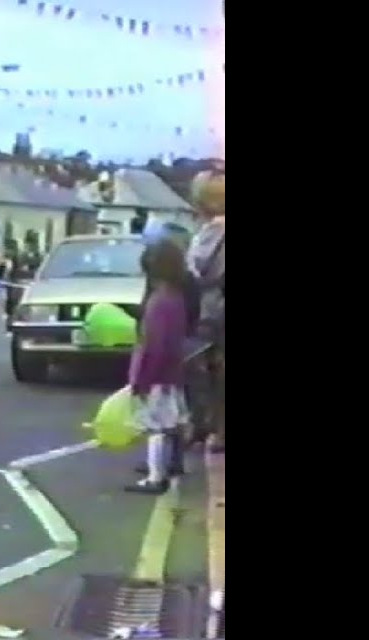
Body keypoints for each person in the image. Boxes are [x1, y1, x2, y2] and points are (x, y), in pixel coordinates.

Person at [126, 238, 192, 495]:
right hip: (173, 373)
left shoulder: (157, 302)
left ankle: (155, 477)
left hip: (157, 377)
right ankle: (173, 465)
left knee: (155, 426)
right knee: (172, 423)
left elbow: (154, 345)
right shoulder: (176, 298)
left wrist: (142, 380)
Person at [187, 164, 225, 452]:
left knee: (208, 372)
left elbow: (197, 270)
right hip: (211, 309)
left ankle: (211, 428)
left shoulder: (210, 234)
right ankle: (210, 427)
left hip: (211, 309)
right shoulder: (207, 232)